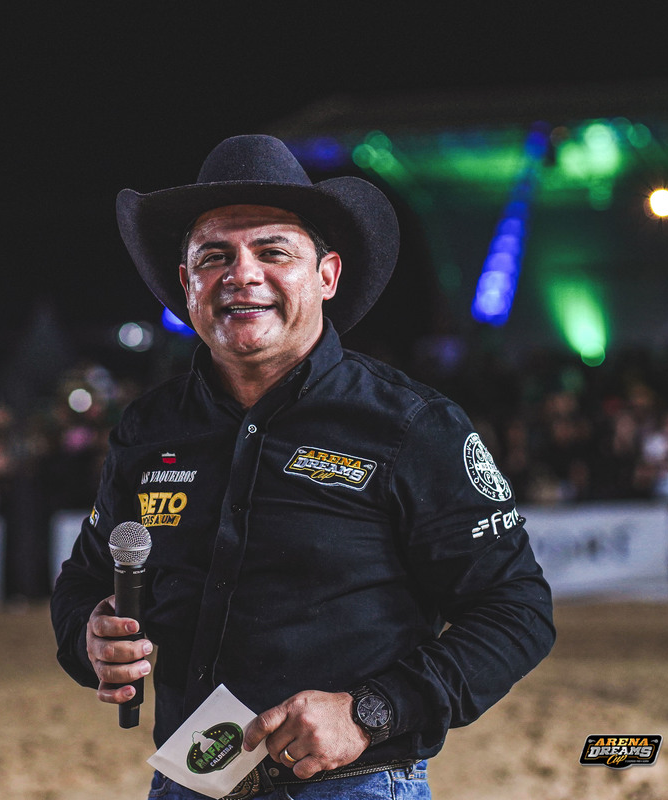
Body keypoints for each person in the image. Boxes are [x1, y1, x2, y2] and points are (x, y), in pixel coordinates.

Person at [50, 135, 555, 799]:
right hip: (188, 781)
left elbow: (516, 610)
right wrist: (88, 638)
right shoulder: (150, 429)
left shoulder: (411, 425)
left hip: (352, 784)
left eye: (272, 251)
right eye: (214, 256)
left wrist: (369, 711)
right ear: (187, 284)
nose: (241, 274)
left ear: (327, 276)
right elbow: (85, 578)